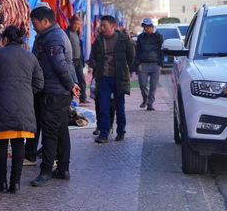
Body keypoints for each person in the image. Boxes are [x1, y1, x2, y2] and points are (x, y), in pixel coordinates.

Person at [0, 25, 44, 193]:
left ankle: (1, 183)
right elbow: (39, 83)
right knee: (18, 143)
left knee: (1, 143)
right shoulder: (30, 57)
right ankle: (15, 184)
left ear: (5, 39)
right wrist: (27, 93)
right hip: (24, 106)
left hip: (1, 104)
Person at [29, 3, 80, 187]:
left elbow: (60, 65)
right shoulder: (53, 35)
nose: (33, 26)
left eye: (35, 22)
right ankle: (63, 169)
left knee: (50, 132)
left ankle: (46, 171)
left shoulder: (52, 38)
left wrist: (71, 85)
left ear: (45, 21)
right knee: (61, 130)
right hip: (57, 90)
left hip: (54, 91)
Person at [89, 15, 135, 144]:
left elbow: (131, 57)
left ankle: (121, 131)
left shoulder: (124, 39)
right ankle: (104, 133)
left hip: (119, 78)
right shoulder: (98, 40)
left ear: (113, 26)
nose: (102, 28)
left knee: (119, 106)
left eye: (104, 26)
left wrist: (123, 69)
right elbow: (93, 56)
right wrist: (95, 64)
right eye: (101, 25)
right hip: (103, 78)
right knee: (103, 106)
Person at [134, 18, 164, 111]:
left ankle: (150, 103)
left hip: (155, 64)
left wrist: (160, 63)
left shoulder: (158, 37)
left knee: (153, 85)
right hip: (143, 64)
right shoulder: (140, 37)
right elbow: (137, 51)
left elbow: (162, 51)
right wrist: (137, 63)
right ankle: (145, 99)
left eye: (147, 27)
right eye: (144, 27)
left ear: (152, 26)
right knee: (142, 84)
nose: (146, 28)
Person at [66, 15, 88, 104]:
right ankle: (69, 100)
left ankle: (83, 98)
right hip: (70, 62)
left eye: (79, 25)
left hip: (78, 61)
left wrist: (82, 62)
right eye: (75, 24)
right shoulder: (66, 33)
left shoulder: (78, 34)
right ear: (71, 23)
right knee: (71, 81)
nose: (77, 26)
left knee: (82, 80)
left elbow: (80, 48)